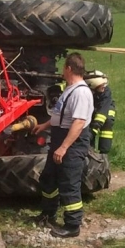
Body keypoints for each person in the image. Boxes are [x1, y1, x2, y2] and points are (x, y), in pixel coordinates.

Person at [33, 52, 94, 238]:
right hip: (59, 140)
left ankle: (72, 225)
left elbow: (78, 123)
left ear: (69, 68)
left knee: (69, 183)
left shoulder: (81, 93)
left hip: (72, 143)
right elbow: (60, 115)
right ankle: (48, 212)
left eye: (63, 67)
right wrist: (44, 126)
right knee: (49, 178)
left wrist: (64, 147)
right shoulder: (70, 89)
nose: (62, 71)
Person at [85, 70, 116, 153]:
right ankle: (89, 149)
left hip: (105, 109)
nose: (104, 88)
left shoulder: (106, 91)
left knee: (107, 121)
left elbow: (102, 112)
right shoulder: (85, 91)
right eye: (101, 86)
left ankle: (104, 152)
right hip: (92, 110)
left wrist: (94, 129)